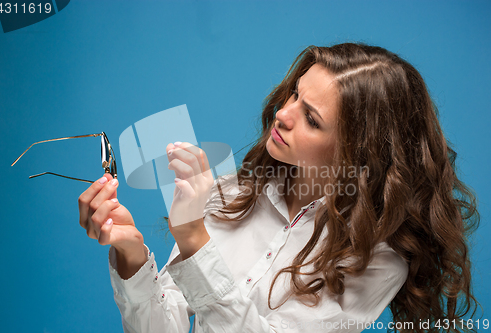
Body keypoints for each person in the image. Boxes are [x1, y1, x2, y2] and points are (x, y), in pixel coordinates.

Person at [78, 43, 479, 332]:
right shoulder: (231, 194)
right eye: (294, 93)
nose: (283, 114)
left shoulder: (375, 259)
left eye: (312, 119)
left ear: (359, 154)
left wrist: (194, 238)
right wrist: (130, 254)